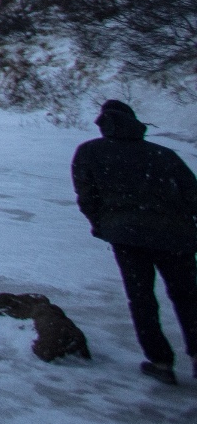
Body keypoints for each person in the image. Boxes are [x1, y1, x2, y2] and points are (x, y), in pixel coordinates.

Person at [72, 99, 197, 385]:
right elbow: (193, 195)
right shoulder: (163, 155)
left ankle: (160, 361)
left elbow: (87, 197)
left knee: (141, 298)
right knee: (188, 297)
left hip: (127, 237)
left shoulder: (90, 152)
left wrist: (102, 225)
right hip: (176, 237)